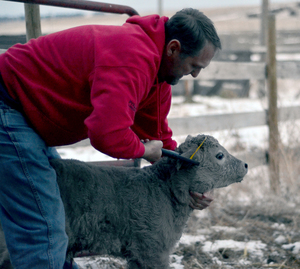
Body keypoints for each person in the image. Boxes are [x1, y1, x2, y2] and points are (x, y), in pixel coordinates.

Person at [0, 7, 221, 268]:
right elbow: (107, 134)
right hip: (9, 102)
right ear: (173, 48)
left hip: (28, 114)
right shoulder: (131, 58)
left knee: (52, 216)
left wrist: (190, 184)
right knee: (44, 227)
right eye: (194, 66)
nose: (196, 75)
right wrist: (143, 151)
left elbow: (159, 137)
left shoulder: (159, 75)